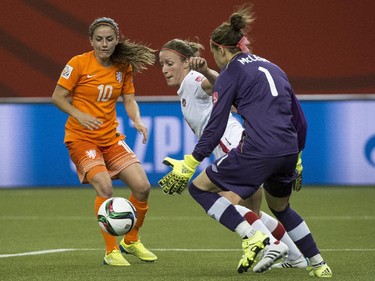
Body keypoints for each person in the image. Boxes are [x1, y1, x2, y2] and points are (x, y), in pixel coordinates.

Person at [159, 4, 332, 278]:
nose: (214, 59)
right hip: (287, 149)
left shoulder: (231, 73)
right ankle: (318, 263)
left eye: (214, 53)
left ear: (222, 50)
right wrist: (297, 157)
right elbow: (299, 118)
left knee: (200, 189)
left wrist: (191, 161)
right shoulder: (273, 66)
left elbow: (215, 125)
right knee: (281, 208)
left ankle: (260, 240)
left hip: (255, 150)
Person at [52, 17, 157, 267]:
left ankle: (130, 241)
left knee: (142, 187)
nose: (104, 44)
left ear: (116, 40)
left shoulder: (123, 66)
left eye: (109, 39)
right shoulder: (78, 63)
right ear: (91, 41)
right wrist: (79, 115)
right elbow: (57, 97)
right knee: (105, 187)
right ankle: (111, 251)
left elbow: (129, 100)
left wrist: (137, 121)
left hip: (110, 139)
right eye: (99, 39)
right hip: (81, 139)